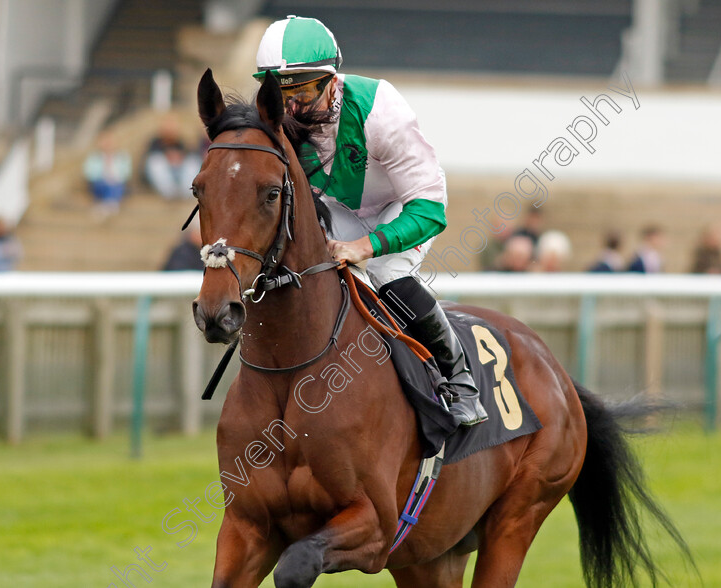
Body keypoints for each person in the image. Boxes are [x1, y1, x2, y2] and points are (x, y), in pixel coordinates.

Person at [252, 16, 486, 426]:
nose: (290, 107)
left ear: (332, 80)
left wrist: (366, 246)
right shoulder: (278, 121)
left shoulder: (380, 108)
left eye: (303, 90)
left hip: (403, 203)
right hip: (338, 208)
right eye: (278, 91)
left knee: (385, 272)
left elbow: (430, 209)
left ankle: (460, 379)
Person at [144, 114, 202, 200]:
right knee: (155, 161)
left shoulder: (181, 142)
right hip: (165, 174)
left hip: (180, 172)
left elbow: (189, 154)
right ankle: (169, 192)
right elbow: (147, 164)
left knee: (194, 160)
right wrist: (167, 156)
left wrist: (179, 158)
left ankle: (186, 191)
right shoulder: (155, 143)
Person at [83, 132, 132, 215]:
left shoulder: (122, 156)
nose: (108, 144)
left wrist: (114, 178)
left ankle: (106, 206)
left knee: (116, 186)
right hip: (100, 183)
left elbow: (126, 174)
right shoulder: (94, 157)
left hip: (117, 183)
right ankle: (111, 205)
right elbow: (89, 174)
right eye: (105, 141)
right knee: (108, 186)